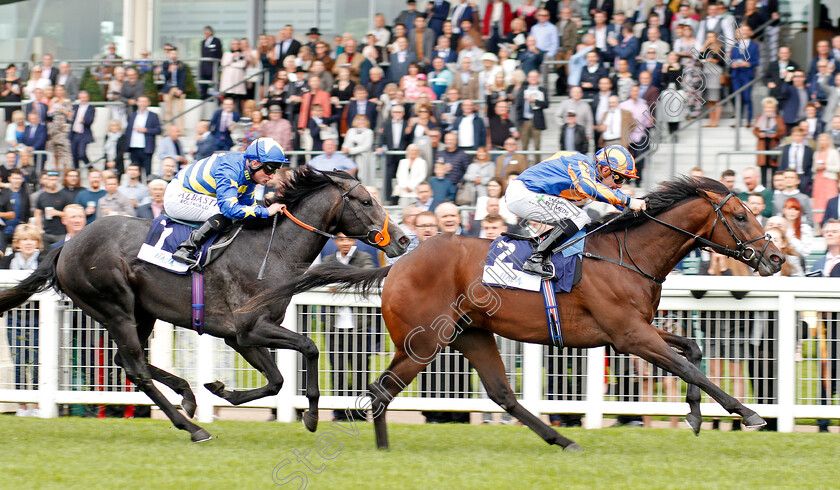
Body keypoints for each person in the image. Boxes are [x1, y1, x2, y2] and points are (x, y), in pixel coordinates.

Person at [503, 146, 646, 277]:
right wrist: (628, 201)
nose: (620, 185)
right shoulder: (582, 165)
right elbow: (590, 188)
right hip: (523, 193)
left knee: (579, 220)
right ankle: (535, 259)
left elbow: (611, 198)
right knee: (579, 217)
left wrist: (641, 208)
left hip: (527, 193)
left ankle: (546, 255)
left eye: (625, 180)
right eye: (619, 178)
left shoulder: (590, 170)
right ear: (605, 170)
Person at [166, 138, 289, 266]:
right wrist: (266, 211)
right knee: (225, 213)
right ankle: (187, 248)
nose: (272, 176)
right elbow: (229, 209)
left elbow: (248, 207)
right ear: (255, 163)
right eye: (269, 170)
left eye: (275, 171)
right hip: (179, 195)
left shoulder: (249, 175)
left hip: (195, 194)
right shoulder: (230, 170)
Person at [1, 223, 43, 417]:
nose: (28, 243)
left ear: (37, 243)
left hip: (36, 318)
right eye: (25, 239)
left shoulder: (42, 260)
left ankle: (36, 402)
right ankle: (22, 405)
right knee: (18, 360)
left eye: (32, 239)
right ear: (17, 243)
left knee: (35, 360)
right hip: (14, 317)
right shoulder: (8, 261)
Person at [33, 170, 73, 248]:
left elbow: (70, 214)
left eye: (54, 179)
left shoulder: (64, 195)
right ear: (46, 181)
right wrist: (40, 229)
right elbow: (37, 214)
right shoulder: (42, 196)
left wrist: (57, 213)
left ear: (58, 181)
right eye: (50, 179)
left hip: (61, 233)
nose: (52, 182)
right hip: (46, 233)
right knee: (45, 255)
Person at [125, 96, 161, 177]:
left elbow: (158, 130)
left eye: (144, 101)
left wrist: (146, 130)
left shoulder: (153, 116)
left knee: (147, 171)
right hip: (133, 147)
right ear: (137, 103)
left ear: (148, 103)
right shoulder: (132, 115)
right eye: (140, 101)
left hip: (146, 148)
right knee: (136, 171)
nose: (142, 104)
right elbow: (128, 131)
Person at [0, 168, 30, 251]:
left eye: (19, 178)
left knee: (18, 254)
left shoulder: (25, 195)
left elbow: (27, 213)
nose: (17, 181)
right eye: (15, 178)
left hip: (19, 230)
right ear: (9, 179)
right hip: (3, 230)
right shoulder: (2, 193)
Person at [69, 91, 95, 169]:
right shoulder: (75, 107)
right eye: (81, 97)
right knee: (74, 154)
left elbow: (90, 121)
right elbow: (70, 120)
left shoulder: (91, 108)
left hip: (83, 134)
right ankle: (76, 171)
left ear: (88, 98)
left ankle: (91, 168)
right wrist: (70, 117)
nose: (83, 99)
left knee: (81, 153)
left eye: (84, 97)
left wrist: (84, 120)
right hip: (74, 134)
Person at [199, 26, 224, 100]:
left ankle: (214, 98)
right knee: (203, 85)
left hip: (213, 68)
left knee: (214, 85)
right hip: (204, 68)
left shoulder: (216, 41)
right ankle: (204, 98)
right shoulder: (203, 42)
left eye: (206, 33)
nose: (205, 35)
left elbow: (219, 54)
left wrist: (218, 66)